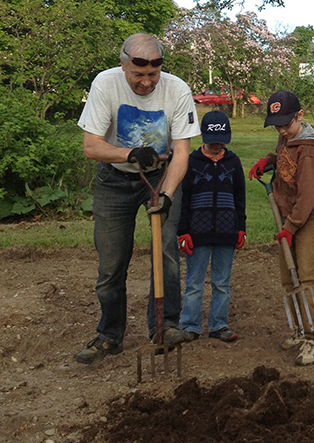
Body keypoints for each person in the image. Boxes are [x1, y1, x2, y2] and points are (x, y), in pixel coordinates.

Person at [75, 33, 200, 364]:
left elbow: (183, 152)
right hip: (114, 180)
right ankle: (109, 335)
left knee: (167, 253)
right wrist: (130, 152)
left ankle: (165, 326)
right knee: (112, 263)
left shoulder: (177, 90)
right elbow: (91, 146)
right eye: (138, 75)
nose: (146, 82)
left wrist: (168, 194)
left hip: (159, 177)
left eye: (153, 75)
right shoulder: (105, 84)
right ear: (123, 65)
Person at [248, 90, 314, 366]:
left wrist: (290, 227)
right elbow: (284, 160)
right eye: (277, 125)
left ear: (300, 115)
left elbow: (307, 197)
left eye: (286, 124)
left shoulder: (308, 150)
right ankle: (299, 330)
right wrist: (269, 160)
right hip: (288, 218)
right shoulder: (286, 138)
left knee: (306, 278)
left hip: (308, 220)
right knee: (288, 278)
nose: (282, 130)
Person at [177, 111, 246, 342]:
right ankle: (190, 326)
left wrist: (241, 227)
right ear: (202, 136)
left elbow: (240, 197)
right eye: (212, 140)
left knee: (222, 283)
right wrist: (182, 231)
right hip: (197, 233)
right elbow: (183, 199)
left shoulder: (233, 162)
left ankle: (218, 325)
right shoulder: (191, 162)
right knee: (194, 283)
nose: (217, 145)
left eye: (221, 140)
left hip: (227, 232)